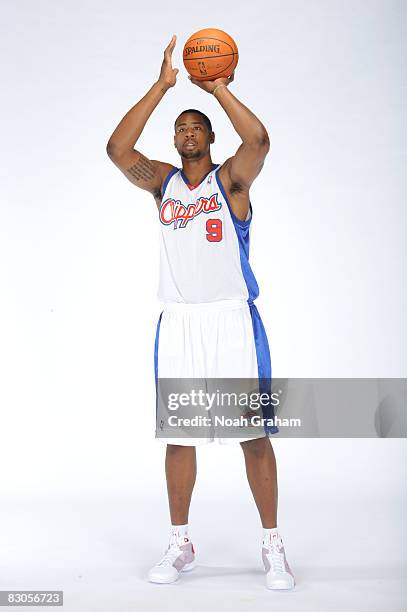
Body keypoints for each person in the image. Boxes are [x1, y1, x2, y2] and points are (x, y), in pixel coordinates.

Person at [106, 34, 295, 591]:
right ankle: (181, 540)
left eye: (196, 127)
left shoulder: (230, 182)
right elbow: (118, 151)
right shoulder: (163, 184)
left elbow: (259, 138)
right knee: (181, 436)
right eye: (180, 128)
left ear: (211, 137)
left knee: (253, 436)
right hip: (180, 321)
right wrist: (163, 86)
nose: (187, 132)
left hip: (232, 319)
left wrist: (217, 90)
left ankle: (273, 544)